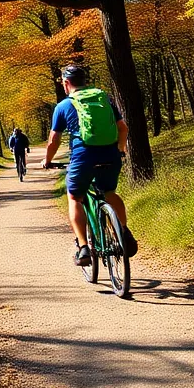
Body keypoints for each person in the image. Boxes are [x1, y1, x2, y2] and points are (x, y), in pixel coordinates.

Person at [41, 64, 138, 265]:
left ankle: (84, 247)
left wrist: (47, 161)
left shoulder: (63, 106)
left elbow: (54, 140)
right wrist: (120, 150)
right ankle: (124, 233)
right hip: (110, 155)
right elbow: (123, 128)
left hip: (83, 157)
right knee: (109, 192)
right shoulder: (105, 100)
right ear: (84, 81)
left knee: (75, 197)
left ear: (66, 83)